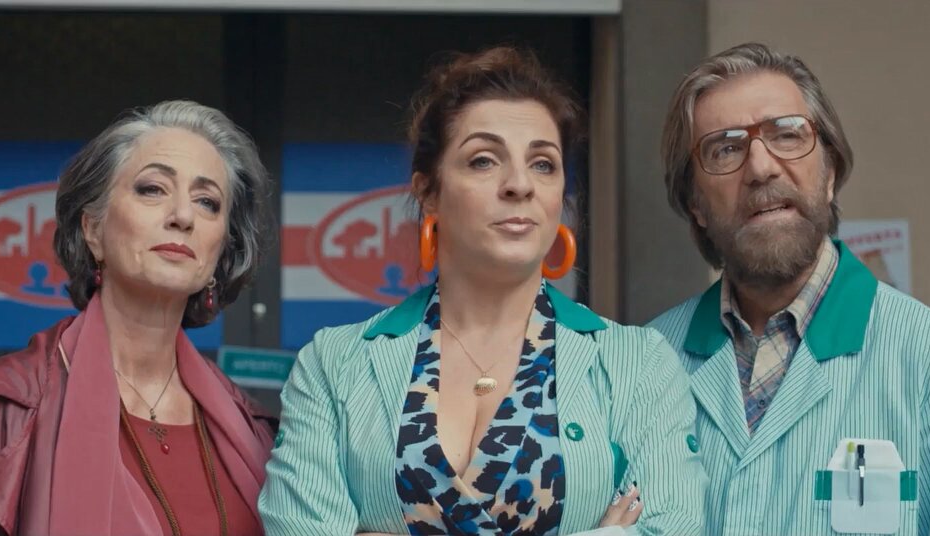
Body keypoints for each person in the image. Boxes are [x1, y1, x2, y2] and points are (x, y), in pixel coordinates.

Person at [259, 47, 706, 536]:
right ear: (428, 191)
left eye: (543, 164)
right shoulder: (333, 365)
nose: (519, 185)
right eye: (484, 160)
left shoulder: (639, 365)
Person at [648, 42, 930, 534]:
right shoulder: (647, 364)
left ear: (829, 173)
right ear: (696, 203)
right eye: (726, 148)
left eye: (787, 134)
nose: (760, 168)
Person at [0, 100, 275, 536]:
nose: (182, 216)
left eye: (207, 202)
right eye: (153, 189)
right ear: (92, 229)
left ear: (220, 251)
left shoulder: (255, 433)